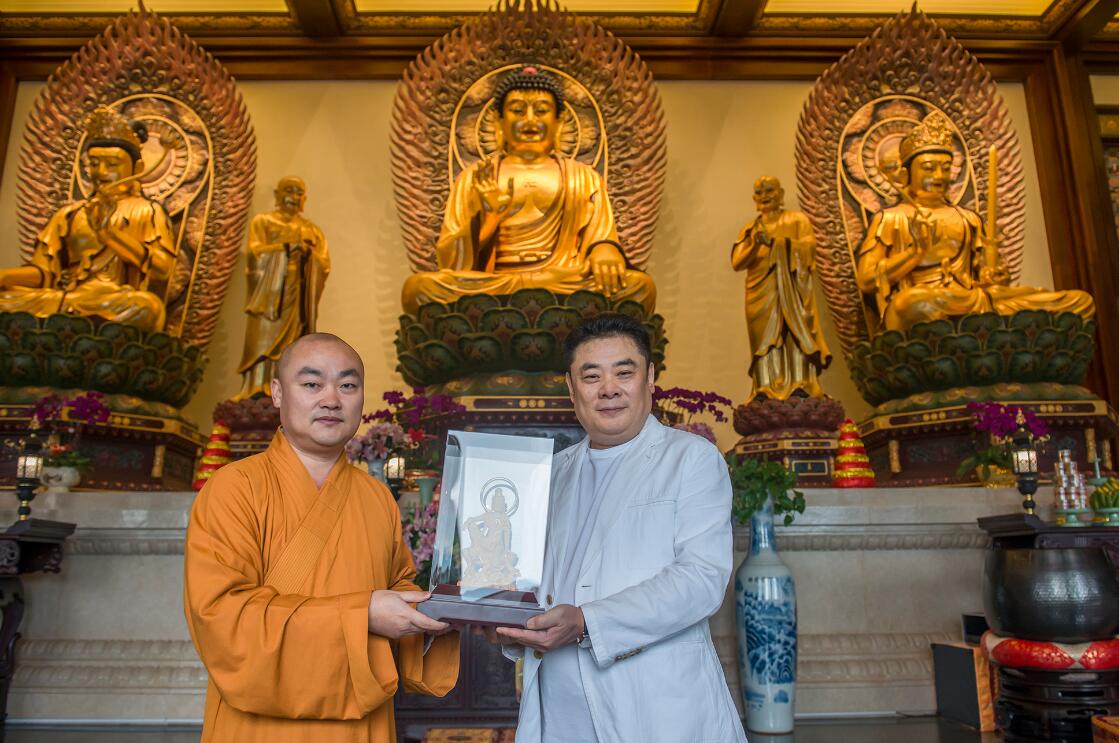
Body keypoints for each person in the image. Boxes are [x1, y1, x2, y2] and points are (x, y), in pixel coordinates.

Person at [184, 332, 459, 742]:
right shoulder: (234, 488)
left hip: (359, 726)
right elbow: (223, 620)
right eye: (312, 384)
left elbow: (399, 594)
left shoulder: (376, 498)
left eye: (347, 386)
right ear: (277, 392)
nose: (332, 399)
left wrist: (446, 610)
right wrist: (361, 616)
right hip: (259, 727)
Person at [493, 314, 747, 742]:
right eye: (591, 376)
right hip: (559, 709)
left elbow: (701, 580)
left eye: (624, 373)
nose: (608, 389)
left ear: (650, 378)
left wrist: (587, 621)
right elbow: (532, 581)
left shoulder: (690, 459)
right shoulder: (551, 474)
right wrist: (498, 610)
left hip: (656, 706)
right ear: (571, 388)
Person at [401, 65, 655, 314]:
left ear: (559, 122)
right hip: (498, 283)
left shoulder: (584, 177)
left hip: (560, 279)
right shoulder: (476, 177)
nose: (530, 120)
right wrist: (489, 219)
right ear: (499, 121)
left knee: (640, 287)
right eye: (517, 110)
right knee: (418, 289)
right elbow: (451, 262)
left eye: (541, 111)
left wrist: (605, 250)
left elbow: (601, 236)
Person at [856, 111, 1094, 332]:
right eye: (929, 168)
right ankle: (981, 327)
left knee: (1079, 302)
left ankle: (978, 326)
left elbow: (984, 278)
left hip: (973, 301)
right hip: (923, 303)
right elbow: (866, 280)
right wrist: (914, 253)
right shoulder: (892, 218)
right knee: (909, 303)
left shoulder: (968, 219)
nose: (939, 176)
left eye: (946, 168)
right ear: (906, 174)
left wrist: (994, 277)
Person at [0, 105, 177, 332]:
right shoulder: (70, 214)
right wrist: (4, 277)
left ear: (137, 167)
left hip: (112, 300)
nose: (101, 172)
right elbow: (44, 273)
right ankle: (70, 323)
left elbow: (163, 269)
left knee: (149, 308)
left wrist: (110, 235)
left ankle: (69, 325)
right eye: (94, 163)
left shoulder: (146, 211)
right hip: (67, 299)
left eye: (112, 164)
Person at [731, 175, 830, 399]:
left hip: (793, 290)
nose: (764, 196)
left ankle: (802, 383)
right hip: (760, 292)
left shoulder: (796, 220)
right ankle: (764, 387)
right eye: (759, 192)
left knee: (794, 333)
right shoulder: (751, 229)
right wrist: (755, 244)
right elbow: (737, 262)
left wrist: (776, 244)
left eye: (770, 190)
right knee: (763, 341)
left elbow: (810, 248)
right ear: (754, 199)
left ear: (781, 194)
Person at [233, 176, 331, 401]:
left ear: (304, 199)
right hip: (268, 295)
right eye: (288, 190)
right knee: (263, 339)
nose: (293, 196)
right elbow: (254, 254)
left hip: (298, 298)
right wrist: (286, 249)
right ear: (277, 195)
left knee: (294, 346)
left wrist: (309, 256)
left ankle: (289, 390)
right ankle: (257, 386)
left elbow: (324, 264)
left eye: (299, 192)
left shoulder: (312, 230)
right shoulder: (263, 222)